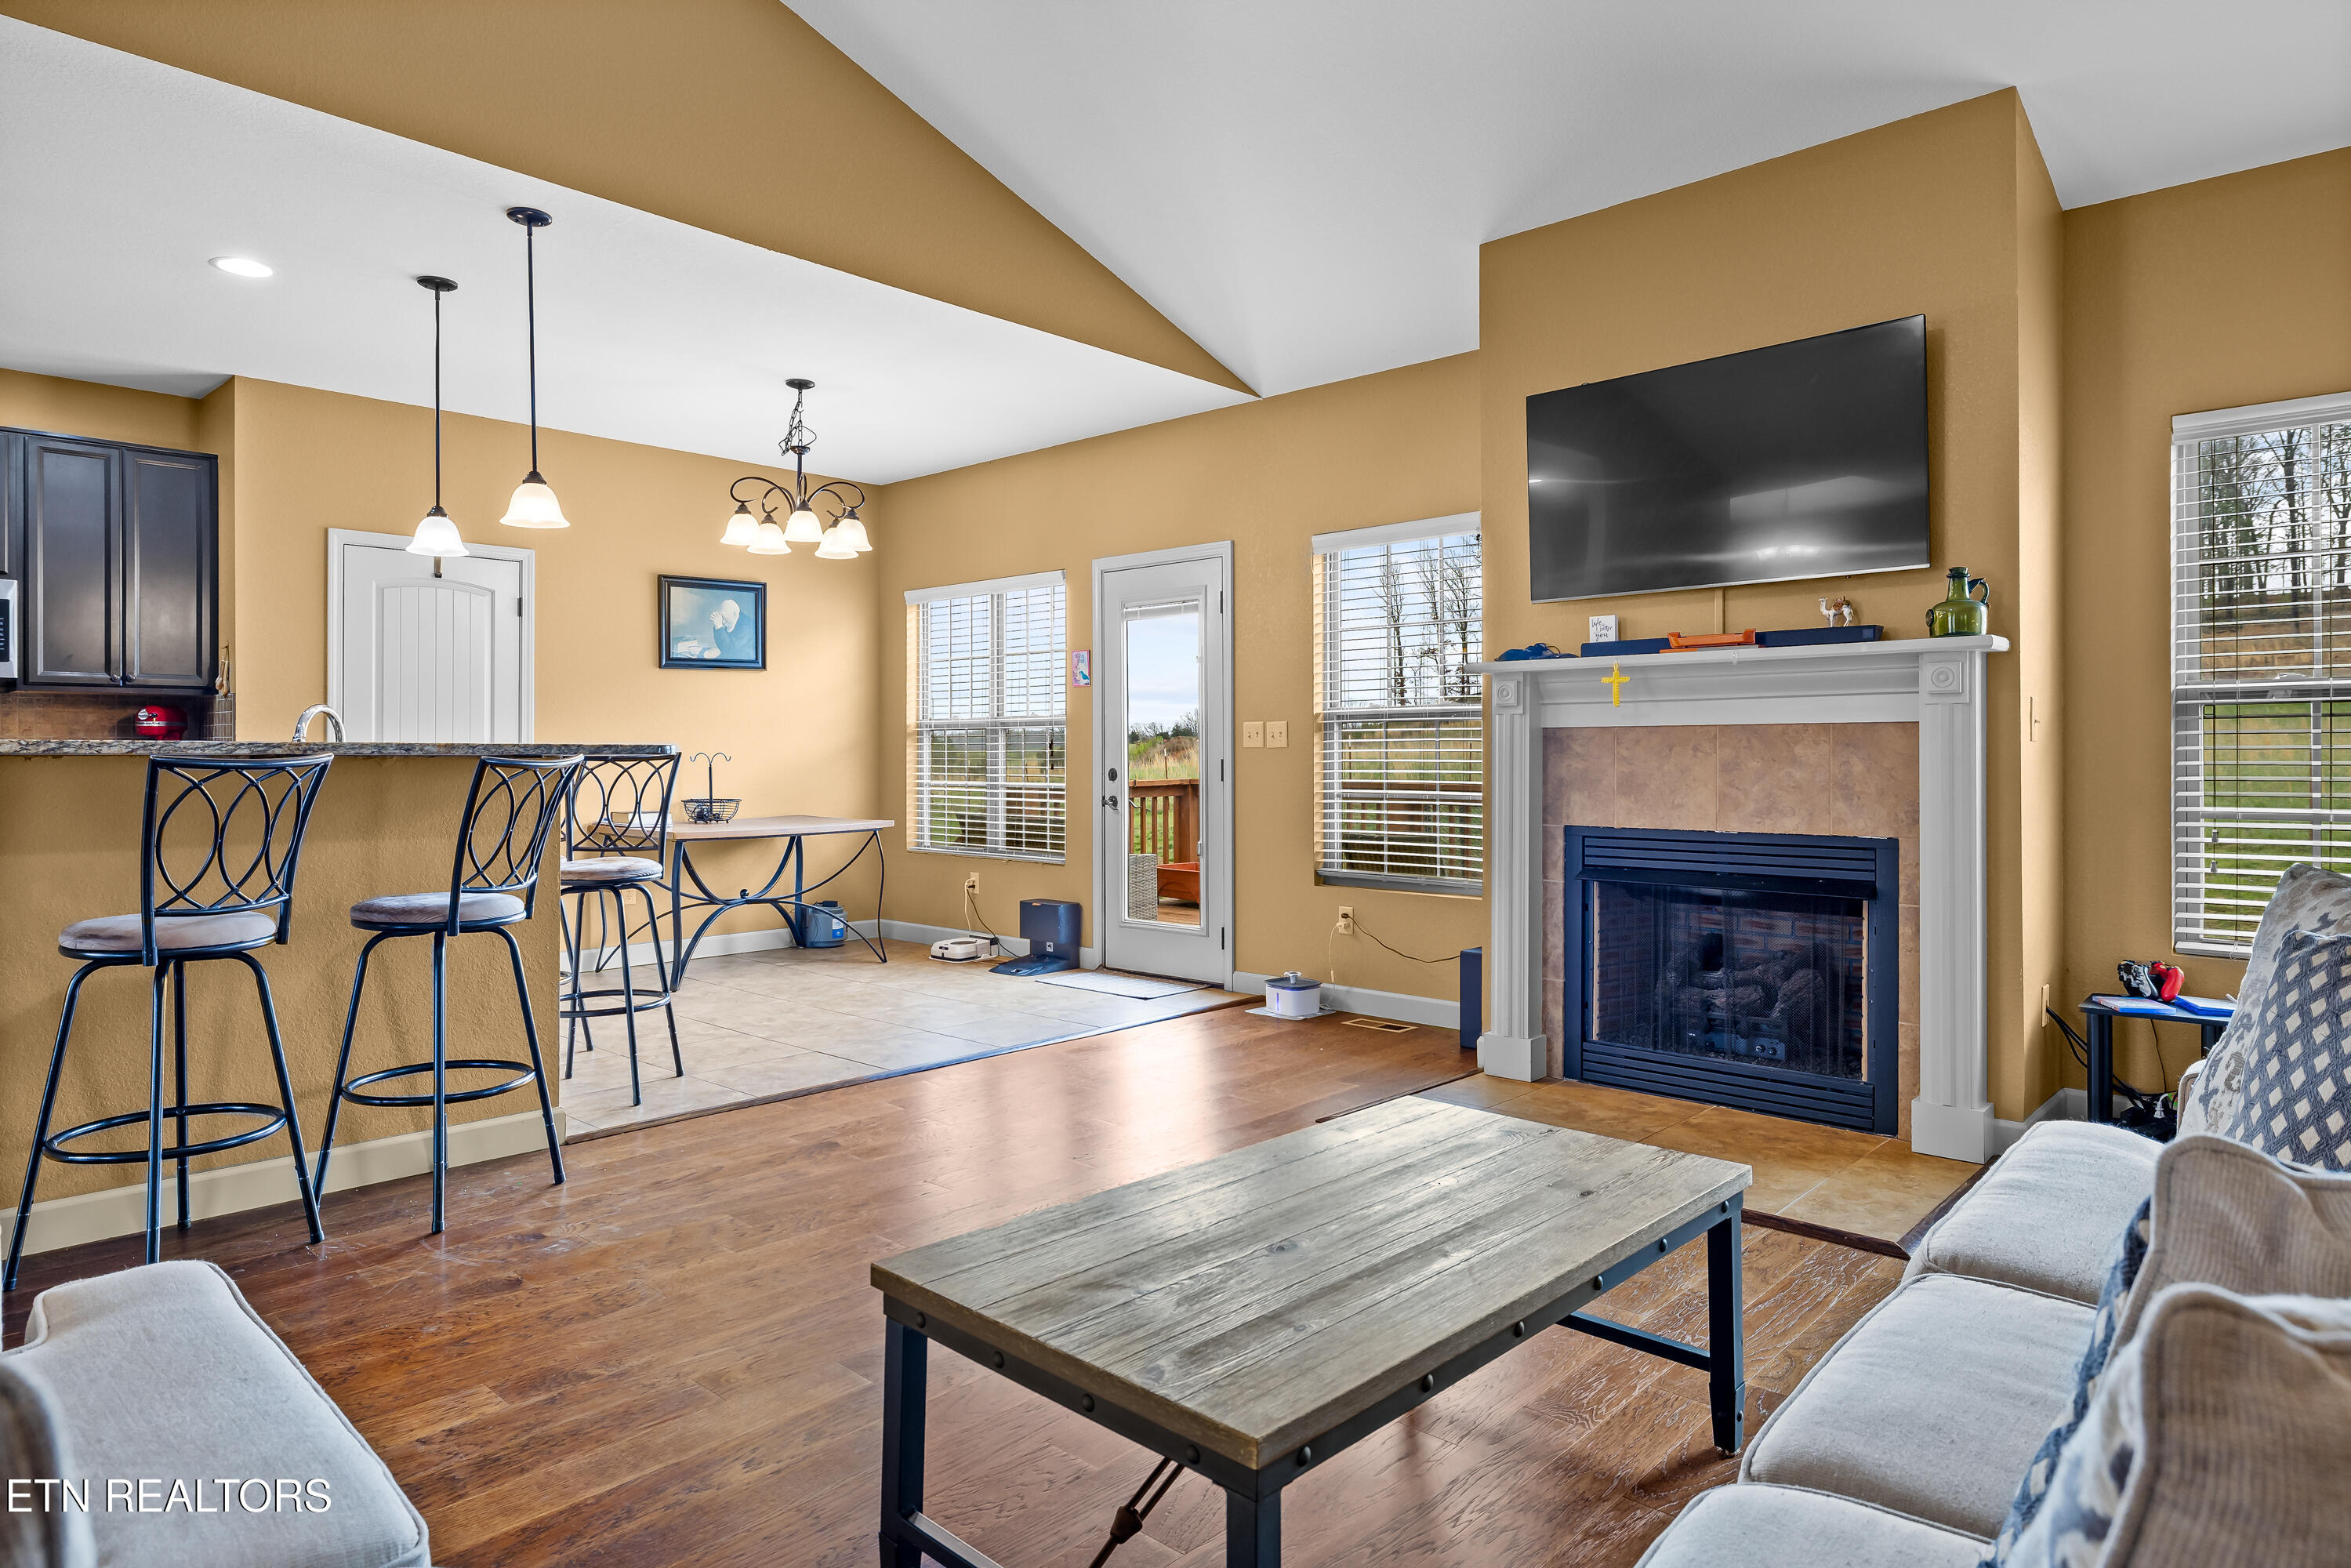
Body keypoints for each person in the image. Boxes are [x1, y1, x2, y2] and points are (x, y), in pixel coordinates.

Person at [706, 597, 756, 662]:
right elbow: (725, 644)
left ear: (734, 614)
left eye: (725, 618)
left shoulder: (746, 627)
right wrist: (717, 625)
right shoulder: (733, 619)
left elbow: (728, 650)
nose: (723, 622)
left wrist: (718, 626)